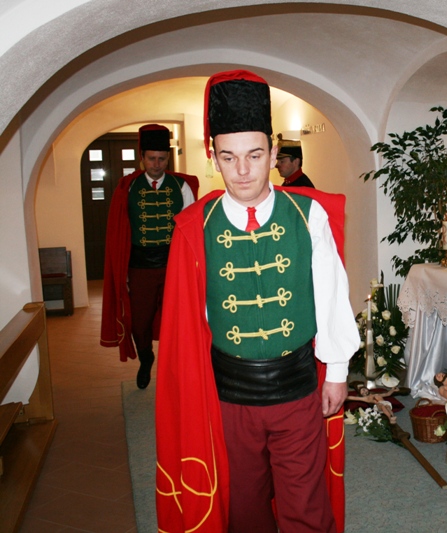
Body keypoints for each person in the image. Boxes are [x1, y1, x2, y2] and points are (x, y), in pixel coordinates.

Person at [154, 70, 359, 533]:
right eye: (229, 157)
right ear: (213, 156)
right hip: (230, 399)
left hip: (297, 392)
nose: (242, 170)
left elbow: (331, 293)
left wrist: (337, 371)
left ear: (271, 152)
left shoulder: (308, 215)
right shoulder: (194, 227)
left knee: (306, 507)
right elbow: (186, 327)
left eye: (254, 155)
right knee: (243, 511)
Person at [100, 124, 199, 389]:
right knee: (139, 321)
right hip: (140, 266)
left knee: (176, 319)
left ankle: (173, 366)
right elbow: (119, 230)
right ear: (142, 157)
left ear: (168, 158)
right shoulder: (128, 187)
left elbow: (192, 228)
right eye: (152, 158)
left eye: (162, 159)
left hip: (173, 264)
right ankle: (146, 358)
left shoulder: (181, 186)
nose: (157, 164)